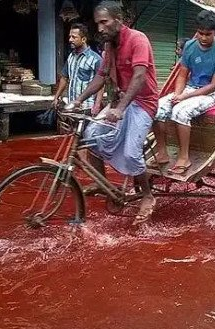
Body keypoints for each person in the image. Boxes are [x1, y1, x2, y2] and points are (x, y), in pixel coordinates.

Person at [71, 1, 159, 222]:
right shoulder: (109, 47)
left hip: (143, 102)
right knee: (90, 138)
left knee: (131, 153)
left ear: (119, 19)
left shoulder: (138, 40)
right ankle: (105, 185)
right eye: (97, 23)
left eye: (104, 22)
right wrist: (77, 101)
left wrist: (119, 108)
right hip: (121, 101)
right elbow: (101, 77)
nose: (100, 28)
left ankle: (148, 196)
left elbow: (139, 77)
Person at [151, 10, 215, 175]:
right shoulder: (190, 46)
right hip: (189, 88)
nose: (203, 38)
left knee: (181, 111)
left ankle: (183, 157)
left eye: (207, 34)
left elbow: (214, 86)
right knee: (157, 107)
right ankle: (162, 152)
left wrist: (184, 97)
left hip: (212, 93)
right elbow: (182, 74)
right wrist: (177, 95)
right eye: (200, 33)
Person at [52, 23, 104, 115]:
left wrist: (97, 105)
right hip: (72, 105)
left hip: (87, 107)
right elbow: (64, 78)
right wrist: (56, 97)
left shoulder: (95, 59)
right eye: (69, 37)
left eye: (74, 37)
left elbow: (101, 85)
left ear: (83, 39)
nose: (70, 40)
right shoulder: (71, 56)